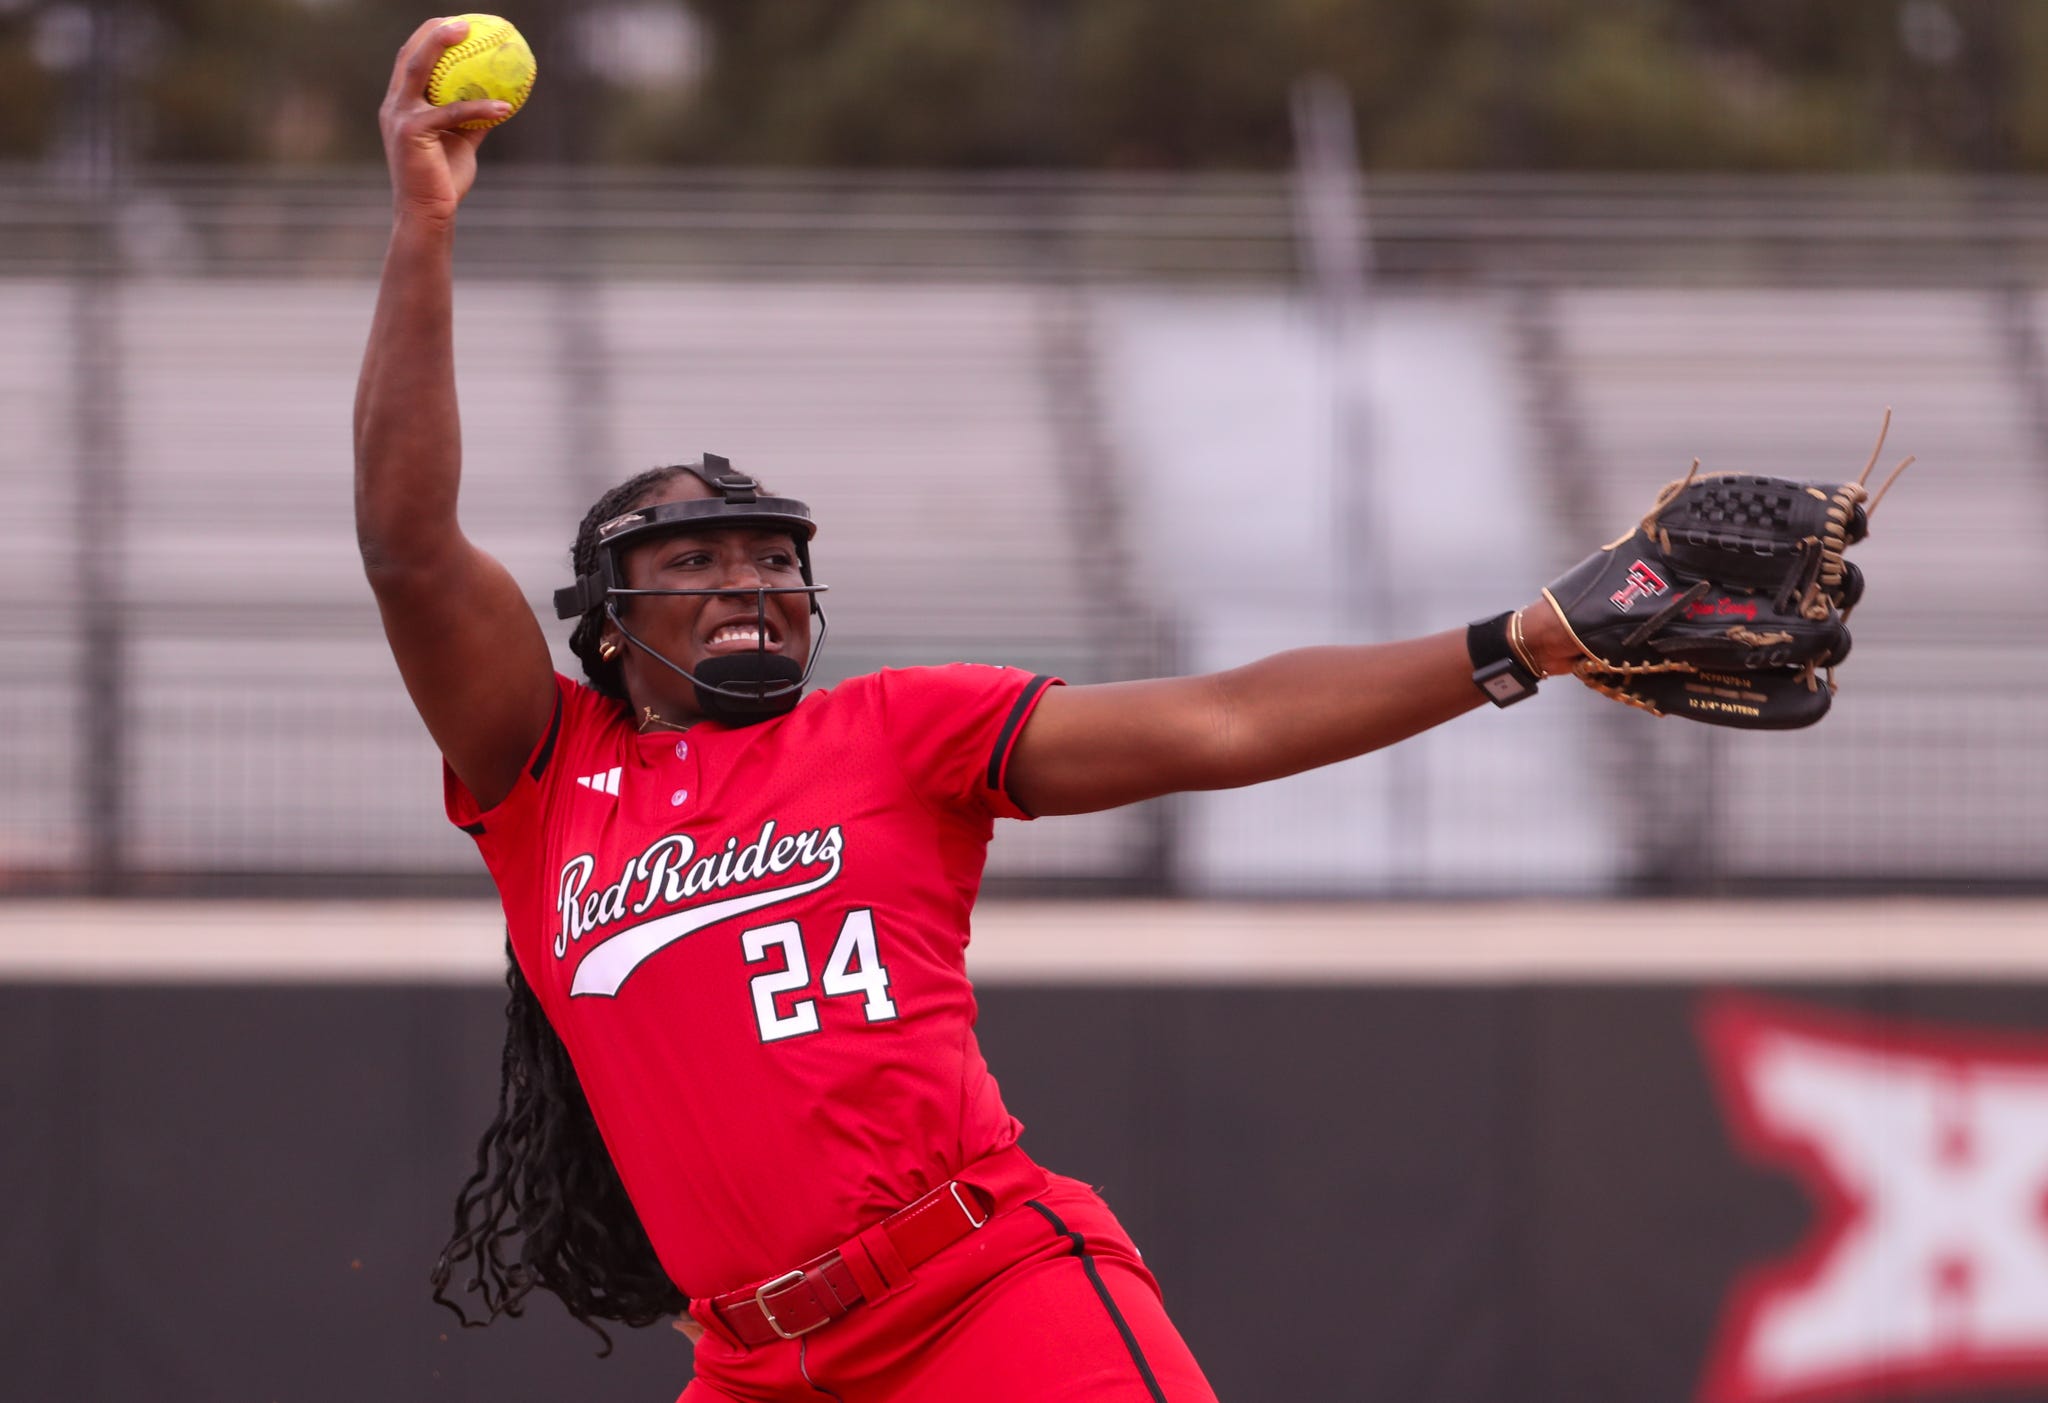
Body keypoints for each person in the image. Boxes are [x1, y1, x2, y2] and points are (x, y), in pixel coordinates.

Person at [357, 20, 1582, 1403]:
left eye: (772, 558)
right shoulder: (546, 773)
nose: (748, 579)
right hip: (757, 1368)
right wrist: (423, 220)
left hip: (983, 1303)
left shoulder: (896, 729)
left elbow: (1223, 724)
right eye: (692, 561)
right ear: (605, 623)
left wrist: (1517, 642)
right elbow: (408, 545)